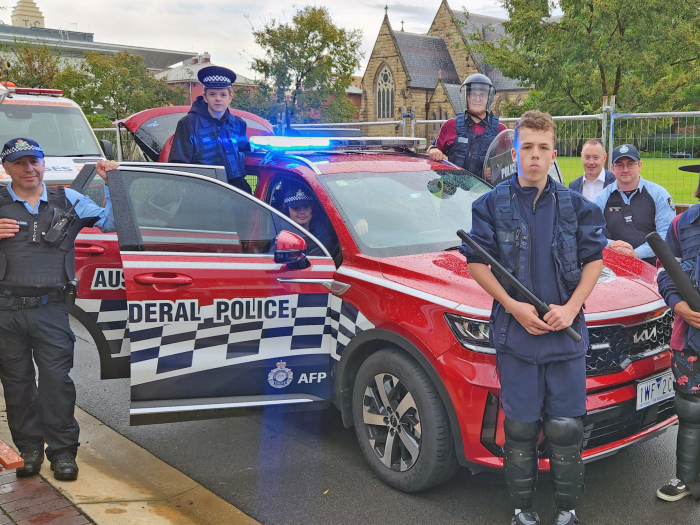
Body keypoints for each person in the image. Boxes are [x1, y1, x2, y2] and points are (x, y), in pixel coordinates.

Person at [462, 111, 607, 525]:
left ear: (554, 154)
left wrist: (573, 307)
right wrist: (513, 306)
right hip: (516, 336)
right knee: (522, 429)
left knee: (565, 429)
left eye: (543, 148)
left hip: (565, 337)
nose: (535, 156)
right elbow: (477, 265)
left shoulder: (577, 206)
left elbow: (593, 261)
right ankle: (522, 511)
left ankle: (567, 511)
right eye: (527, 148)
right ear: (516, 151)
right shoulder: (490, 205)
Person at [0, 138, 118, 481]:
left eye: (34, 161)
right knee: (17, 384)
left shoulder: (68, 199)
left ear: (43, 164)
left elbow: (109, 224)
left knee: (56, 383)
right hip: (5, 310)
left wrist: (112, 186)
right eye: (19, 163)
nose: (28, 169)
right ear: (6, 168)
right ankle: (30, 451)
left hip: (50, 309)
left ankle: (63, 452)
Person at [655, 161, 700, 503]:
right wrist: (679, 305)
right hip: (690, 339)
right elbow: (664, 270)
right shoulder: (682, 223)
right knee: (691, 410)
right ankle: (687, 479)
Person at [169, 65, 251, 194]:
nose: (218, 98)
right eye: (212, 94)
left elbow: (244, 154)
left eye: (223, 94)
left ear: (230, 97)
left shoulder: (239, 124)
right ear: (205, 97)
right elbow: (178, 165)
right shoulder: (189, 124)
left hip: (236, 193)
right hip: (202, 193)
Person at [593, 144, 676, 265]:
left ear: (640, 165)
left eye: (630, 164)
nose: (625, 169)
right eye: (619, 165)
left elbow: (666, 234)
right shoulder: (602, 198)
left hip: (654, 266)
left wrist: (636, 254)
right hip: (615, 265)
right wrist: (611, 244)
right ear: (612, 168)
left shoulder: (659, 195)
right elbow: (592, 232)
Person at [428, 73, 508, 180]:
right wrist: (433, 151)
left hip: (486, 192)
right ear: (466, 97)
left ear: (488, 98)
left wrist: (495, 172)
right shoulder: (450, 125)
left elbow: (509, 165)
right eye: (473, 94)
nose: (477, 99)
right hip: (457, 191)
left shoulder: (501, 131)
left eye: (482, 95)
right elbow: (434, 149)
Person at [282, 187, 339, 257]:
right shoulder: (280, 231)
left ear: (312, 208)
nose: (302, 212)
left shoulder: (323, 229)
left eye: (306, 207)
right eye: (296, 208)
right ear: (286, 210)